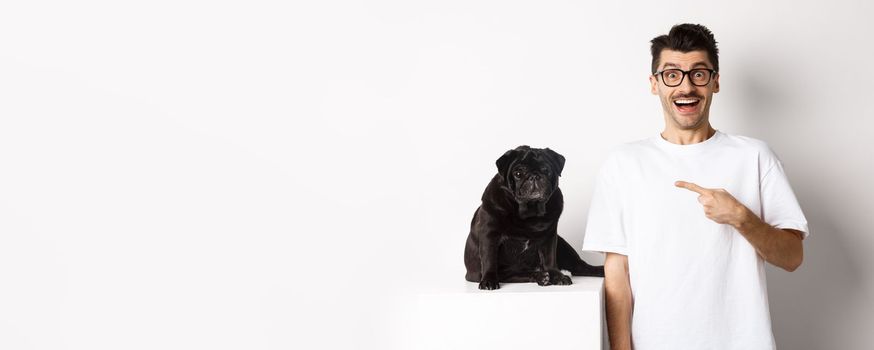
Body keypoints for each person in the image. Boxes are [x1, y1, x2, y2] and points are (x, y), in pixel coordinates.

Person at [581, 23, 809, 350]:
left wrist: (742, 218)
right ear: (654, 84)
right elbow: (617, 274)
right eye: (672, 75)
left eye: (698, 74)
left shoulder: (755, 156)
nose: (686, 87)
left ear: (715, 82)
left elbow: (792, 257)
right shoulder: (624, 163)